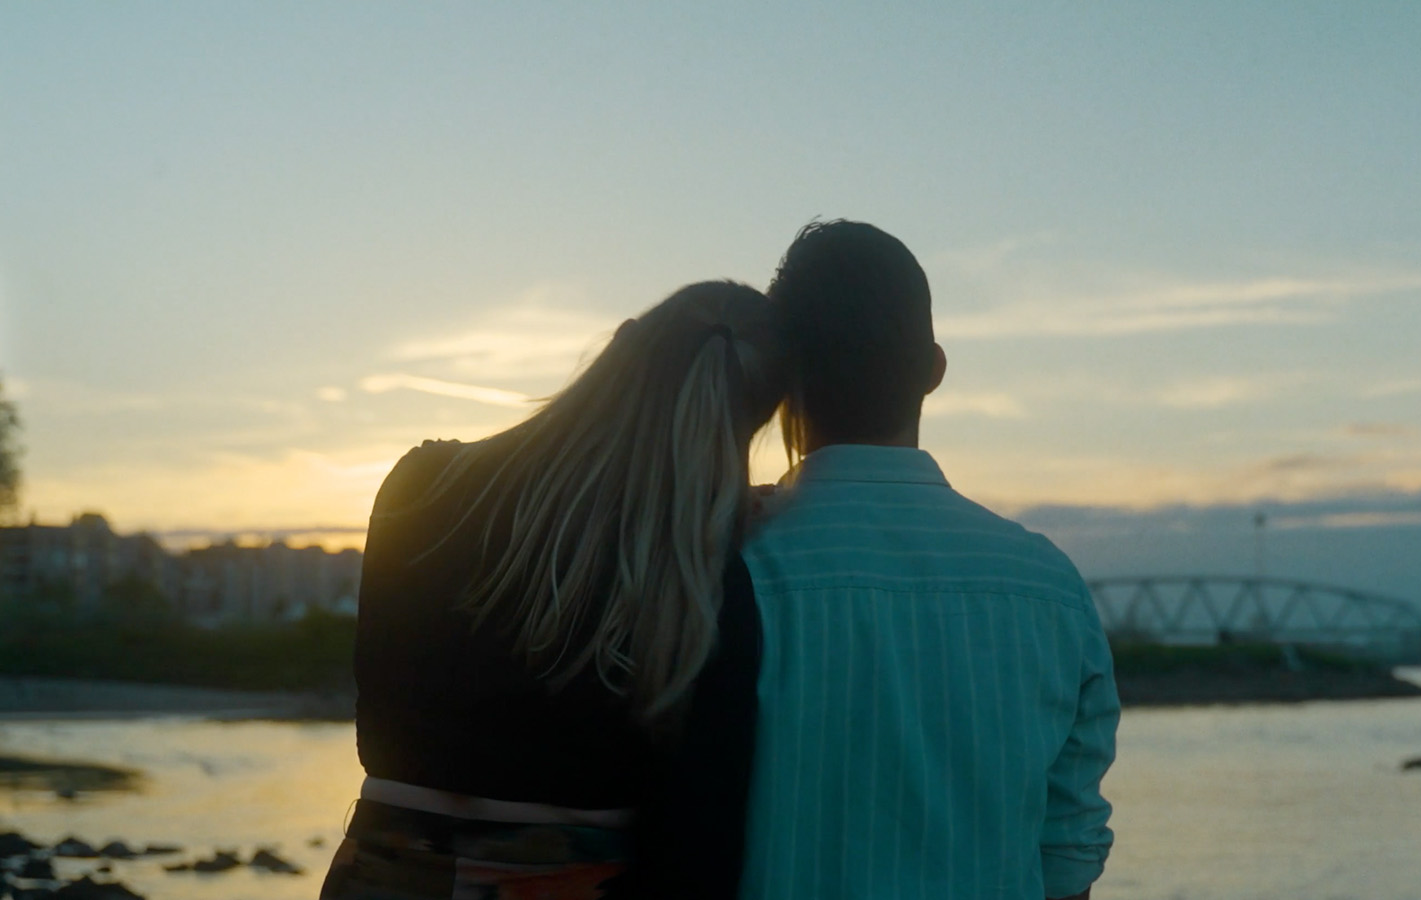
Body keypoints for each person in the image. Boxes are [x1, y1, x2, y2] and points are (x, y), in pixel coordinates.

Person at [685, 220, 1120, 899]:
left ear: (783, 379)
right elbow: (1067, 860)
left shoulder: (715, 568)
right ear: (934, 370)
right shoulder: (1050, 587)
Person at [321, 281, 783, 900]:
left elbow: (379, 708)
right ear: (749, 423)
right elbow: (701, 849)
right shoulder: (703, 581)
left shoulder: (421, 483)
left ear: (620, 345)